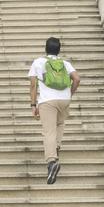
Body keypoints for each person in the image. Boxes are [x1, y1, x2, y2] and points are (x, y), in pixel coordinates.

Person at [28, 37, 80, 184]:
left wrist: (33, 105)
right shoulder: (65, 63)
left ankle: (52, 162)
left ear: (46, 48)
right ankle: (55, 150)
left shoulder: (38, 62)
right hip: (64, 100)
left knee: (48, 131)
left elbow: (33, 85)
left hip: (47, 101)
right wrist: (70, 93)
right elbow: (77, 79)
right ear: (59, 49)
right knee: (59, 127)